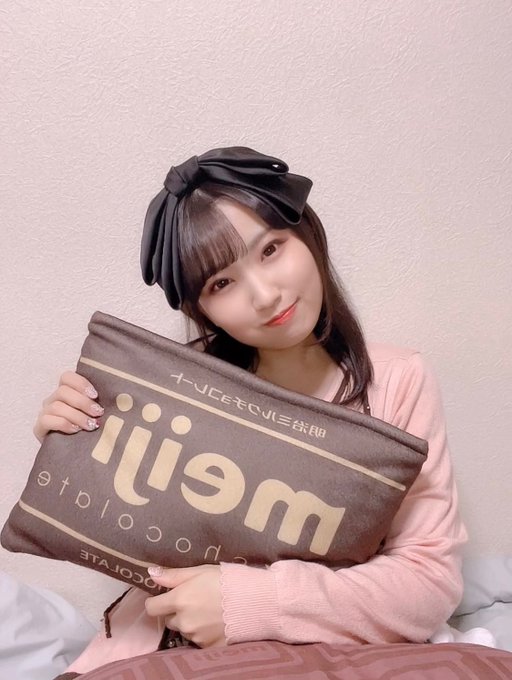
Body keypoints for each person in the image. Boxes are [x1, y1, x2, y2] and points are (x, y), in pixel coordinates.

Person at [33, 146, 467, 671]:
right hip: (161, 649)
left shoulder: (397, 381)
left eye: (271, 250)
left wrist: (245, 602)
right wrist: (75, 442)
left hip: (325, 658)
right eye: (221, 283)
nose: (264, 295)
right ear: (202, 309)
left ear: (309, 234)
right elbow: (127, 534)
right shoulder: (176, 385)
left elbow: (428, 581)